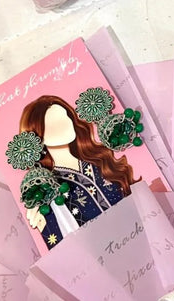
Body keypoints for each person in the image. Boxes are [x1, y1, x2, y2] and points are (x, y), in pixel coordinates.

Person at [19, 95, 138, 249]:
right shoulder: (49, 190)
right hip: (107, 254)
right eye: (53, 125)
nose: (64, 124)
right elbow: (62, 246)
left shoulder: (98, 160)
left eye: (65, 117)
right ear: (37, 138)